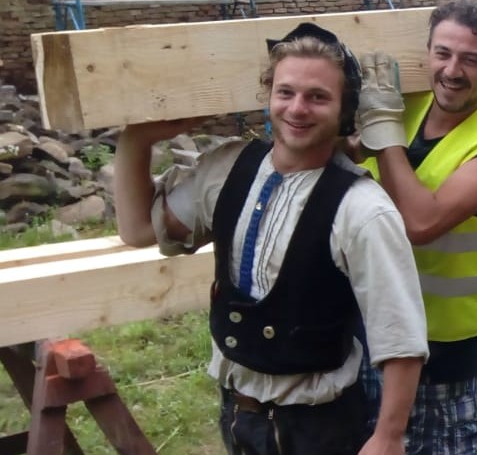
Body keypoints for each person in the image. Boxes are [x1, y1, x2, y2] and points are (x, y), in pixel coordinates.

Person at [111, 23, 428, 454]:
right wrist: (137, 137)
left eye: (317, 97)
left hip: (319, 429)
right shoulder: (226, 170)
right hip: (238, 415)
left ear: (344, 109)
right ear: (269, 95)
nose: (297, 108)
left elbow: (401, 335)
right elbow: (137, 229)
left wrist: (388, 437)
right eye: (286, 92)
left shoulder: (363, 209)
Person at [355, 0, 477, 453]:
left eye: (470, 60)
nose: (452, 71)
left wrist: (383, 133)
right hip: (367, 335)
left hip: (441, 357)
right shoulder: (406, 108)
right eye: (443, 54)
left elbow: (422, 222)